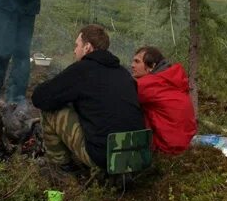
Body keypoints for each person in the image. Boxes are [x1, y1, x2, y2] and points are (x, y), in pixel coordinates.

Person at [31, 24, 145, 173]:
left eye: (77, 45)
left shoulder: (82, 70)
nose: (74, 50)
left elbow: (40, 98)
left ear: (87, 47)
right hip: (137, 156)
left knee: (50, 111)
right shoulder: (123, 73)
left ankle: (61, 168)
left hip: (105, 158)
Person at [131, 46, 197, 154]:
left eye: (137, 62)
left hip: (166, 147)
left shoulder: (148, 84)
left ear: (151, 66)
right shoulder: (171, 79)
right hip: (185, 143)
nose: (132, 65)